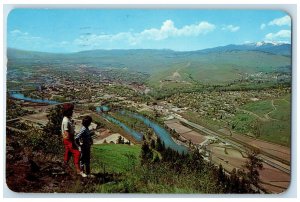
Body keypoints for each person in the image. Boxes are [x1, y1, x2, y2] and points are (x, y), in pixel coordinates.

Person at [61, 103, 84, 176]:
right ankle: (78, 171)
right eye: (71, 110)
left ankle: (64, 166)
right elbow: (66, 133)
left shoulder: (67, 119)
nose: (72, 112)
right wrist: (72, 142)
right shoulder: (66, 121)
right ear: (67, 111)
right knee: (77, 153)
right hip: (68, 140)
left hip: (69, 140)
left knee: (68, 153)